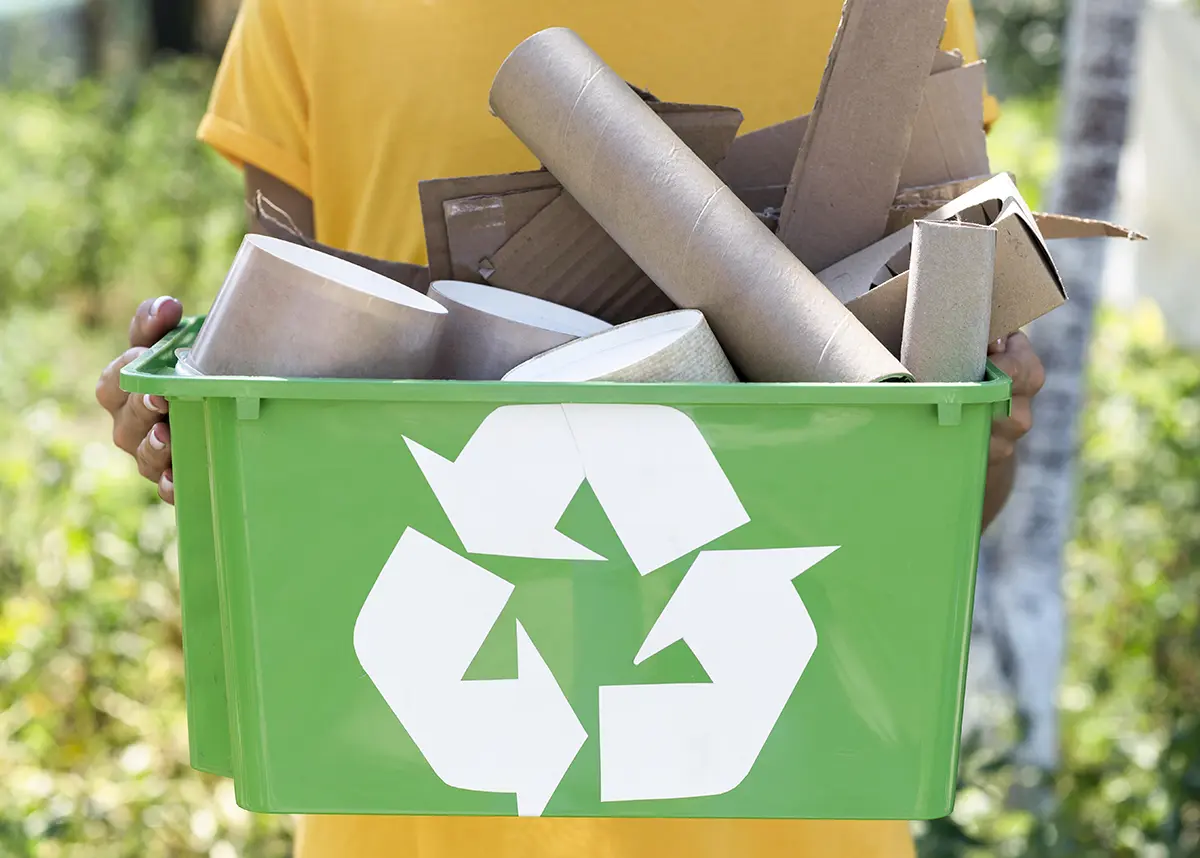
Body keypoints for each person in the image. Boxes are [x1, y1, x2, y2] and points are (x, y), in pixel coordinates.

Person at [95, 1, 1045, 856]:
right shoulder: (318, 13)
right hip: (407, 817)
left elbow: (936, 508)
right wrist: (200, 440)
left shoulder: (884, 15)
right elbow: (286, 395)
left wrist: (979, 436)